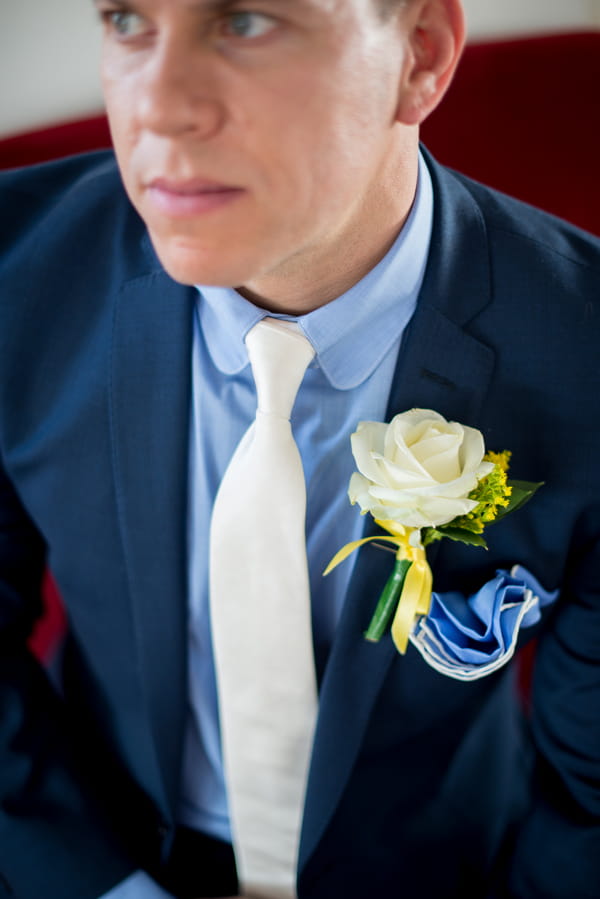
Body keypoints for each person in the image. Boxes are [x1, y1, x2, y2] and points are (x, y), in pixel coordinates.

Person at [0, 1, 598, 897]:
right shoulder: (16, 274)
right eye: (127, 20)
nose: (160, 108)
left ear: (420, 55)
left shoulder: (582, 350)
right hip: (92, 838)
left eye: (245, 21)